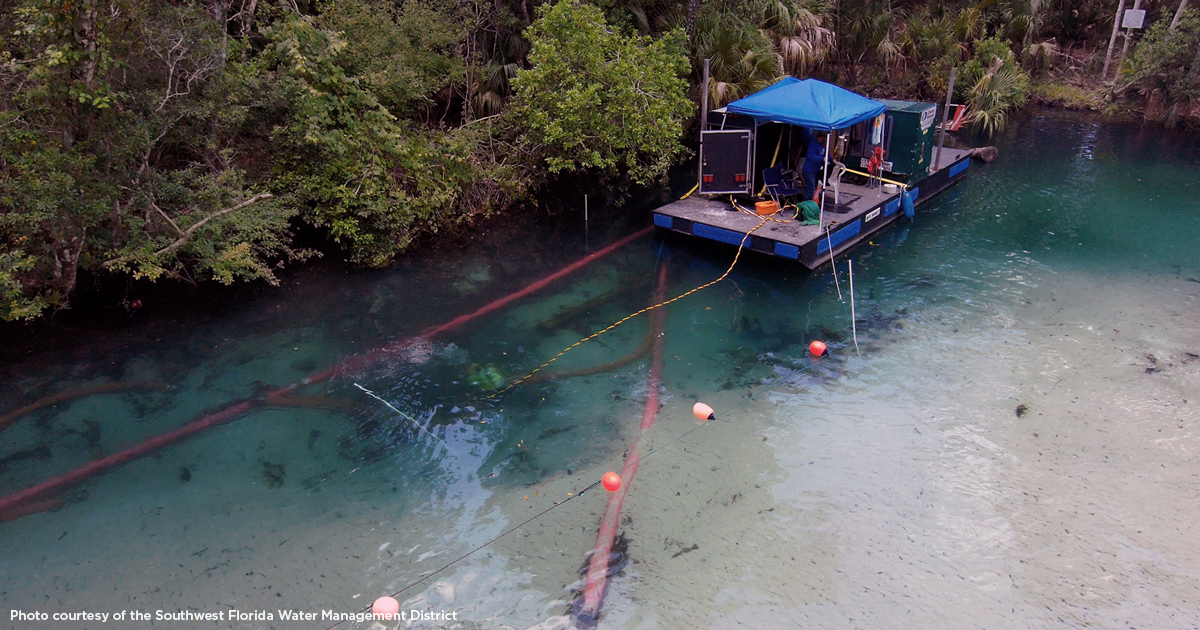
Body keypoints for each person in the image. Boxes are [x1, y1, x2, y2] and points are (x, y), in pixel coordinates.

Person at [801, 131, 827, 203]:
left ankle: (810, 204)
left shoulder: (822, 145)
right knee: (810, 188)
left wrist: (831, 160)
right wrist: (822, 159)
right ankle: (806, 205)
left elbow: (825, 153)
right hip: (809, 170)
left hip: (816, 170)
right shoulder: (813, 144)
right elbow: (811, 156)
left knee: (814, 188)